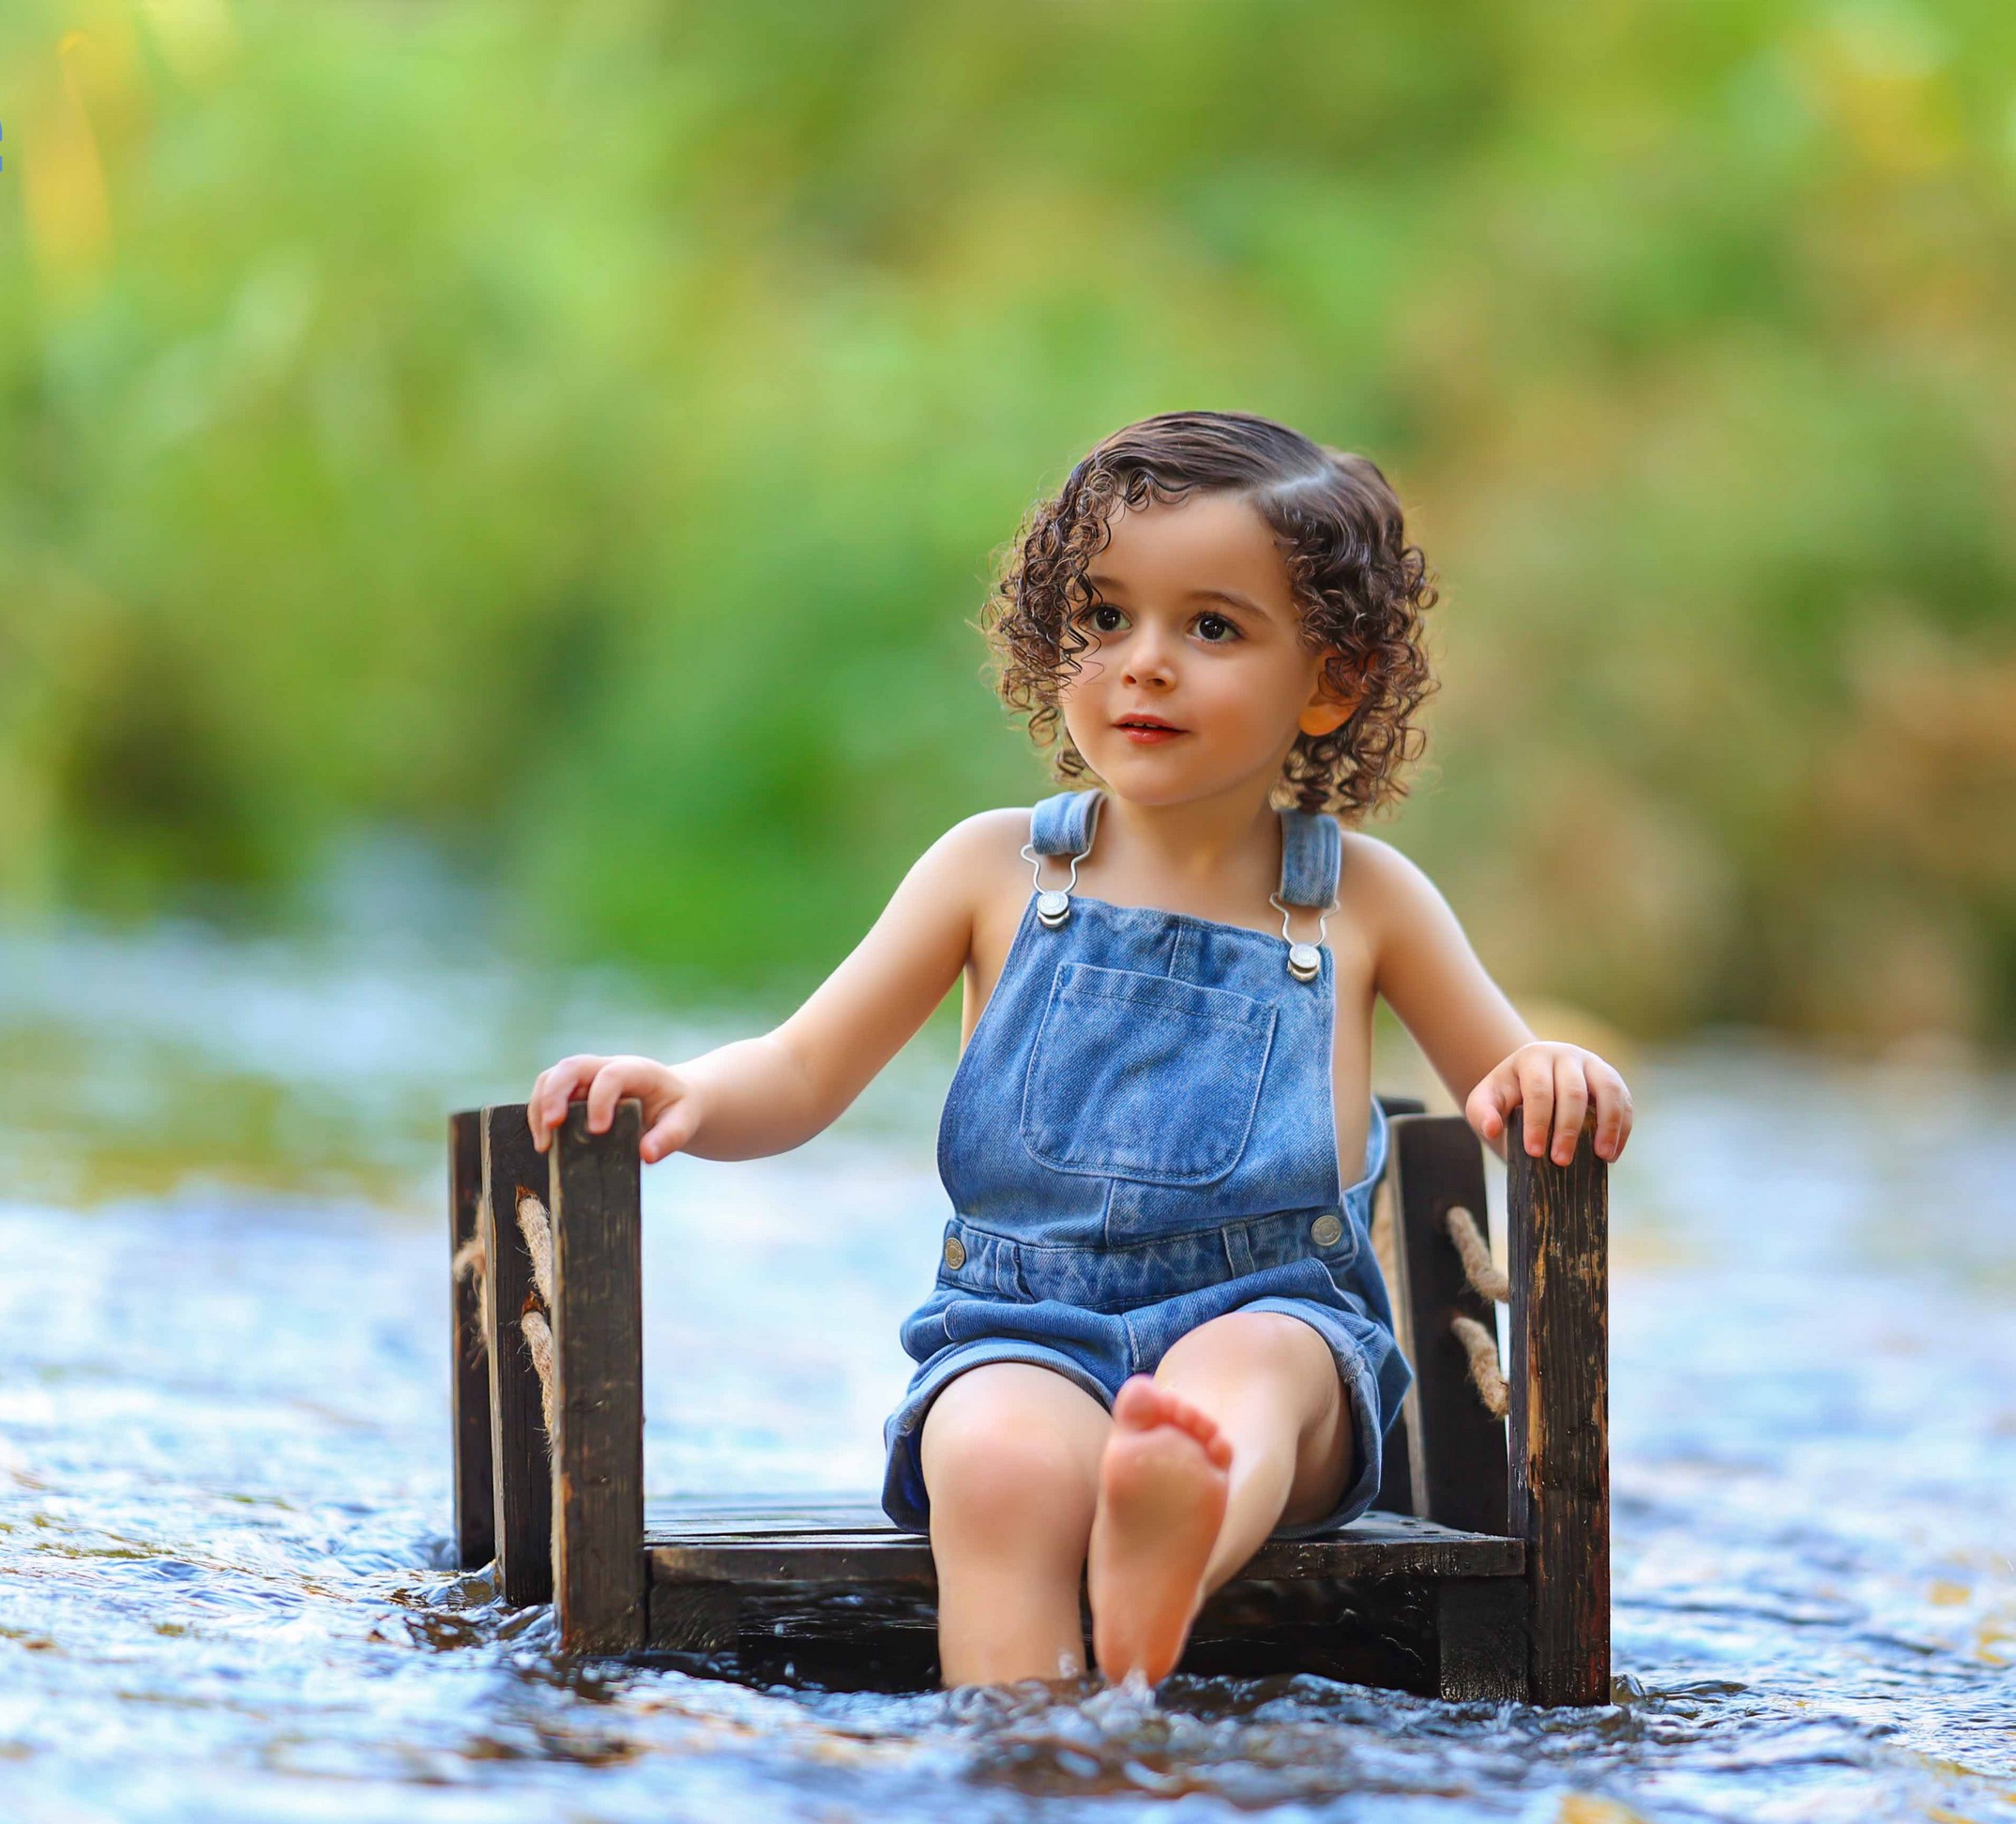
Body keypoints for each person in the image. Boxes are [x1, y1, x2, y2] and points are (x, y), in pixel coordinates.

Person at [528, 411, 1632, 1689]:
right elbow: (800, 1070)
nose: (1143, 665)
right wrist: (685, 1092)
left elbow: (1504, 1083)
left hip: (1275, 1311)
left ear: (1331, 681)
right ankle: (1031, 1743)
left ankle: (1169, 1537)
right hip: (1022, 1319)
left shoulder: (1362, 901)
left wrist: (1551, 1072)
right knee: (996, 1464)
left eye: (1211, 628)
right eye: (1105, 618)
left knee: (1244, 1386)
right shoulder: (991, 872)